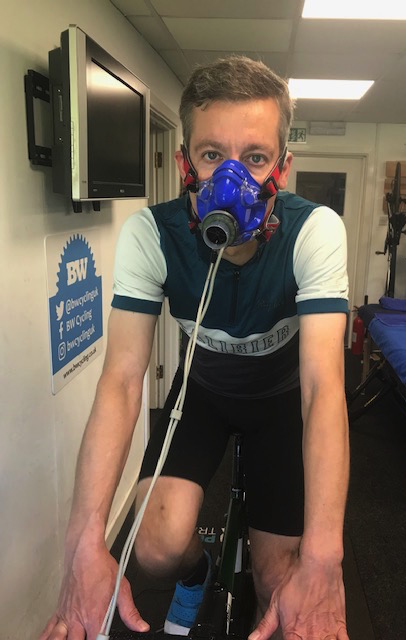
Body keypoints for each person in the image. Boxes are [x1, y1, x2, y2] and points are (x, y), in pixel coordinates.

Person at [40, 56, 350, 640]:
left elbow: (323, 387)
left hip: (283, 402)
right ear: (185, 162)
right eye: (212, 154)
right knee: (155, 550)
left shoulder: (315, 231)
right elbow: (121, 380)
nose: (231, 179)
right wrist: (83, 542)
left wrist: (324, 559)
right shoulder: (151, 234)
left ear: (282, 167)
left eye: (254, 157)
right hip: (201, 394)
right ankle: (197, 574)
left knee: (279, 579)